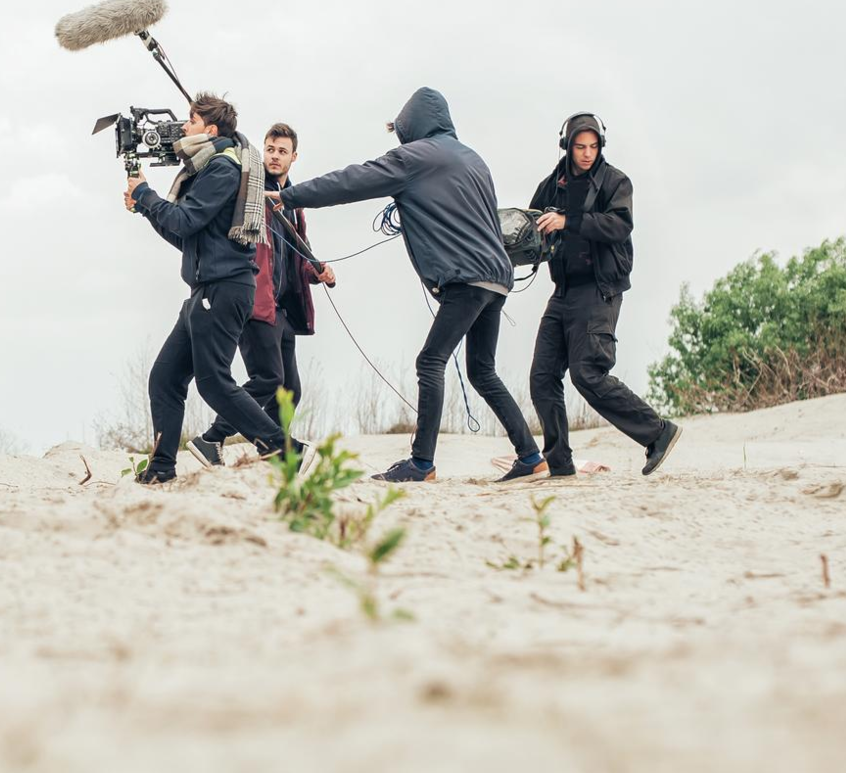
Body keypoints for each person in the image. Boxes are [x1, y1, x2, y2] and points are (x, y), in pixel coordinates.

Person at [273, 86, 542, 483]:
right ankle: (531, 455)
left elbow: (352, 180)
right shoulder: (473, 159)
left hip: (467, 280)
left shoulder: (414, 157)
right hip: (498, 277)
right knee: (482, 370)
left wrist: (290, 197)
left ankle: (421, 463)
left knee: (430, 361)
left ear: (413, 126)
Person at [126, 93, 294, 483]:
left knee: (214, 383)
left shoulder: (221, 168)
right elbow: (186, 236)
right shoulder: (207, 169)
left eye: (191, 120)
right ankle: (162, 467)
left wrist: (146, 195)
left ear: (210, 129)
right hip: (203, 291)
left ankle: (283, 450)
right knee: (165, 379)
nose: (184, 127)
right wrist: (144, 206)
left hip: (223, 289)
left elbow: (184, 221)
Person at [525, 113, 681, 479]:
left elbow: (619, 225)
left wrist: (569, 221)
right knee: (542, 377)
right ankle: (560, 464)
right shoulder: (552, 186)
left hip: (600, 290)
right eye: (580, 146)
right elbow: (531, 224)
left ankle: (658, 432)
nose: (586, 154)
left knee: (587, 373)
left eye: (593, 147)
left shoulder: (615, 182)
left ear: (601, 146)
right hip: (562, 291)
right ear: (567, 145)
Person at [188, 122, 334, 467]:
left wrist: (318, 270)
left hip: (282, 308)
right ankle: (216, 439)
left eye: (282, 151)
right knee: (268, 379)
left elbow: (299, 253)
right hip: (255, 300)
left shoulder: (293, 202)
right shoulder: (252, 191)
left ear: (293, 157)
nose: (274, 156)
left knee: (289, 390)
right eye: (270, 149)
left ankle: (269, 449)